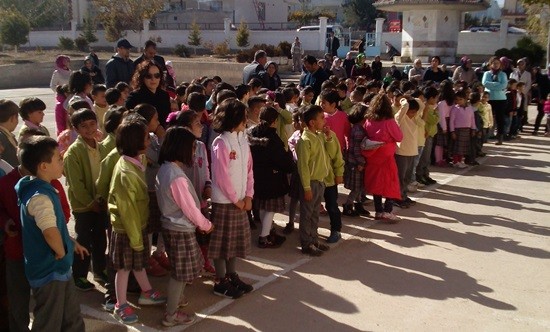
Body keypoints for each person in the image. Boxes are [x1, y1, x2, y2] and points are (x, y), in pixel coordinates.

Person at [15, 136, 87, 332]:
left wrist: (69, 242)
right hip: (50, 271)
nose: (62, 159)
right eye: (58, 158)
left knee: (71, 317)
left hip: (57, 269)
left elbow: (55, 229)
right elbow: (49, 232)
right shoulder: (40, 197)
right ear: (43, 166)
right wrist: (61, 251)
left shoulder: (43, 189)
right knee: (49, 322)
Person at [108, 119, 167, 324]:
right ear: (134, 141)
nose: (149, 140)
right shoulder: (125, 171)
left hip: (135, 227)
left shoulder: (136, 160)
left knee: (138, 263)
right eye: (145, 137)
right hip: (127, 230)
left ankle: (146, 291)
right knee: (124, 267)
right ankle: (120, 304)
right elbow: (127, 210)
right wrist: (136, 239)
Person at [156, 127, 213, 327]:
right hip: (180, 229)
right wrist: (205, 224)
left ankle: (176, 300)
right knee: (180, 275)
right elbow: (189, 207)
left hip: (172, 227)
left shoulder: (165, 168)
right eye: (191, 148)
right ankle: (170, 314)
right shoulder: (176, 176)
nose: (193, 152)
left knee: (179, 270)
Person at [208, 99, 254, 299]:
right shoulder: (222, 142)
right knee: (220, 244)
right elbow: (221, 177)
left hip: (241, 200)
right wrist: (237, 200)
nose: (247, 120)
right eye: (244, 117)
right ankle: (220, 280)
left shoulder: (243, 139)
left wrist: (249, 195)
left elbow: (249, 170)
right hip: (226, 202)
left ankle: (231, 274)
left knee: (234, 242)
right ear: (234, 119)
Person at [63, 109, 109, 291]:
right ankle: (80, 275)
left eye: (92, 124)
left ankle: (100, 270)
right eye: (83, 126)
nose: (89, 129)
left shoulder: (100, 146)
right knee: (83, 240)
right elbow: (76, 185)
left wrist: (101, 201)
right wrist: (91, 204)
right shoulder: (73, 152)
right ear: (76, 129)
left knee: (100, 238)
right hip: (84, 207)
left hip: (100, 203)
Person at [248, 106, 295, 248]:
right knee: (270, 209)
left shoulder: (251, 133)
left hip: (255, 176)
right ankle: (264, 237)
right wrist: (290, 165)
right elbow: (282, 160)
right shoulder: (273, 138)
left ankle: (266, 231)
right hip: (272, 179)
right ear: (275, 121)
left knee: (262, 206)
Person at [296, 105, 332, 256]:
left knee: (315, 213)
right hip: (310, 183)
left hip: (319, 181)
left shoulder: (318, 136)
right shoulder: (305, 141)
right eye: (322, 118)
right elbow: (303, 167)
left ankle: (314, 239)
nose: (324, 120)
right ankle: (306, 243)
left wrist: (328, 137)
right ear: (312, 122)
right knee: (307, 214)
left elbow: (327, 153)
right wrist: (306, 188)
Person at [362, 94, 402, 222]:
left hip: (372, 157)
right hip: (386, 157)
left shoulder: (368, 120)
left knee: (376, 184)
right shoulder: (389, 122)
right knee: (390, 184)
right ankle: (387, 211)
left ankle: (378, 211)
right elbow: (399, 137)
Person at [343, 104, 370, 217]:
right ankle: (348, 205)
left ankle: (358, 204)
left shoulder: (357, 128)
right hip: (356, 163)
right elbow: (356, 149)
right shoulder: (359, 130)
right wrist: (360, 162)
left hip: (355, 162)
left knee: (360, 186)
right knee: (356, 187)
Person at [126, 60, 171, 127]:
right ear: (142, 77)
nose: (153, 79)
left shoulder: (164, 96)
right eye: (148, 76)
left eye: (157, 75)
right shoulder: (134, 97)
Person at [393, 98, 420, 208]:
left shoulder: (415, 119)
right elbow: (404, 108)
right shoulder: (400, 118)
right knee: (400, 177)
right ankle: (397, 197)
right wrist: (404, 100)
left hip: (412, 151)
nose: (413, 114)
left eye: (415, 112)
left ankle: (403, 195)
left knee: (407, 178)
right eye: (412, 111)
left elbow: (421, 106)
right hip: (401, 152)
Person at [482, 56, 508, 145]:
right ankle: (485, 136)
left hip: (500, 99)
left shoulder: (503, 74)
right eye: (494, 63)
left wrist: (492, 85)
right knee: (487, 117)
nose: (496, 65)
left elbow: (503, 85)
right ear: (490, 64)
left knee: (500, 118)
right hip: (489, 99)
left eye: (498, 63)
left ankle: (500, 137)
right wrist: (497, 84)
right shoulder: (487, 74)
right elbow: (485, 83)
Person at [416, 86, 440, 185]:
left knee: (427, 157)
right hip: (426, 136)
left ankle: (426, 174)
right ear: (431, 98)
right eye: (436, 98)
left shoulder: (430, 108)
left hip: (430, 135)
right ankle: (420, 175)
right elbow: (434, 120)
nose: (437, 100)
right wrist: (437, 112)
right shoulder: (427, 108)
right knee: (424, 157)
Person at [449, 90, 476, 168]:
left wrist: (473, 129)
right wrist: (452, 131)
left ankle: (460, 161)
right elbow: (451, 121)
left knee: (463, 148)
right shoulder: (455, 109)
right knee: (457, 147)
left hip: (467, 130)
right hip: (458, 130)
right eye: (457, 99)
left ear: (465, 99)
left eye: (460, 99)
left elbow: (472, 119)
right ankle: (455, 161)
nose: (459, 101)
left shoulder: (470, 108)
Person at [434, 81, 455, 166]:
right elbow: (441, 116)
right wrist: (444, 127)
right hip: (445, 123)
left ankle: (442, 158)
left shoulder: (443, 102)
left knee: (442, 143)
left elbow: (442, 116)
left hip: (445, 122)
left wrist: (444, 127)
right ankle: (438, 160)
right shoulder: (445, 103)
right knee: (440, 143)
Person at [510, 58, 532, 127]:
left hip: (523, 93)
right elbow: (510, 82)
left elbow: (528, 84)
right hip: (514, 93)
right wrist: (515, 90)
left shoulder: (528, 74)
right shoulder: (513, 73)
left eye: (522, 64)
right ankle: (513, 126)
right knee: (514, 108)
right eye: (519, 64)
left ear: (525, 65)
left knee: (522, 110)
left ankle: (520, 126)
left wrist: (522, 92)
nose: (520, 65)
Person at [0, 100, 19, 168]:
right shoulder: (2, 137)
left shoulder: (7, 135)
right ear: (13, 118)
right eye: (17, 117)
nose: (17, 122)